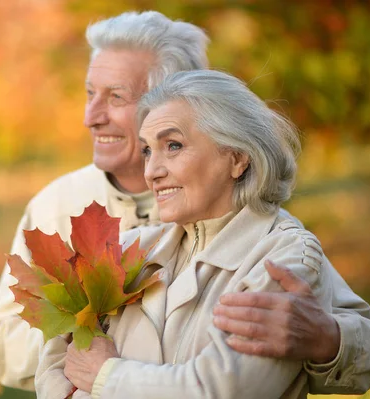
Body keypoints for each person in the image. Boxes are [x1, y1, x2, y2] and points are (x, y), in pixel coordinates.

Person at [0, 11, 370, 394]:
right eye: (89, 94)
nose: (91, 116)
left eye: (116, 96)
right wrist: (85, 340)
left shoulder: (273, 241)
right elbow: (20, 346)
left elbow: (354, 346)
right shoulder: (61, 205)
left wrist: (328, 341)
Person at [35, 69, 350, 398]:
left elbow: (221, 390)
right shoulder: (128, 246)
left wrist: (108, 376)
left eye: (173, 146)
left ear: (237, 158)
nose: (152, 172)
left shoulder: (280, 259)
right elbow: (55, 366)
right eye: (147, 150)